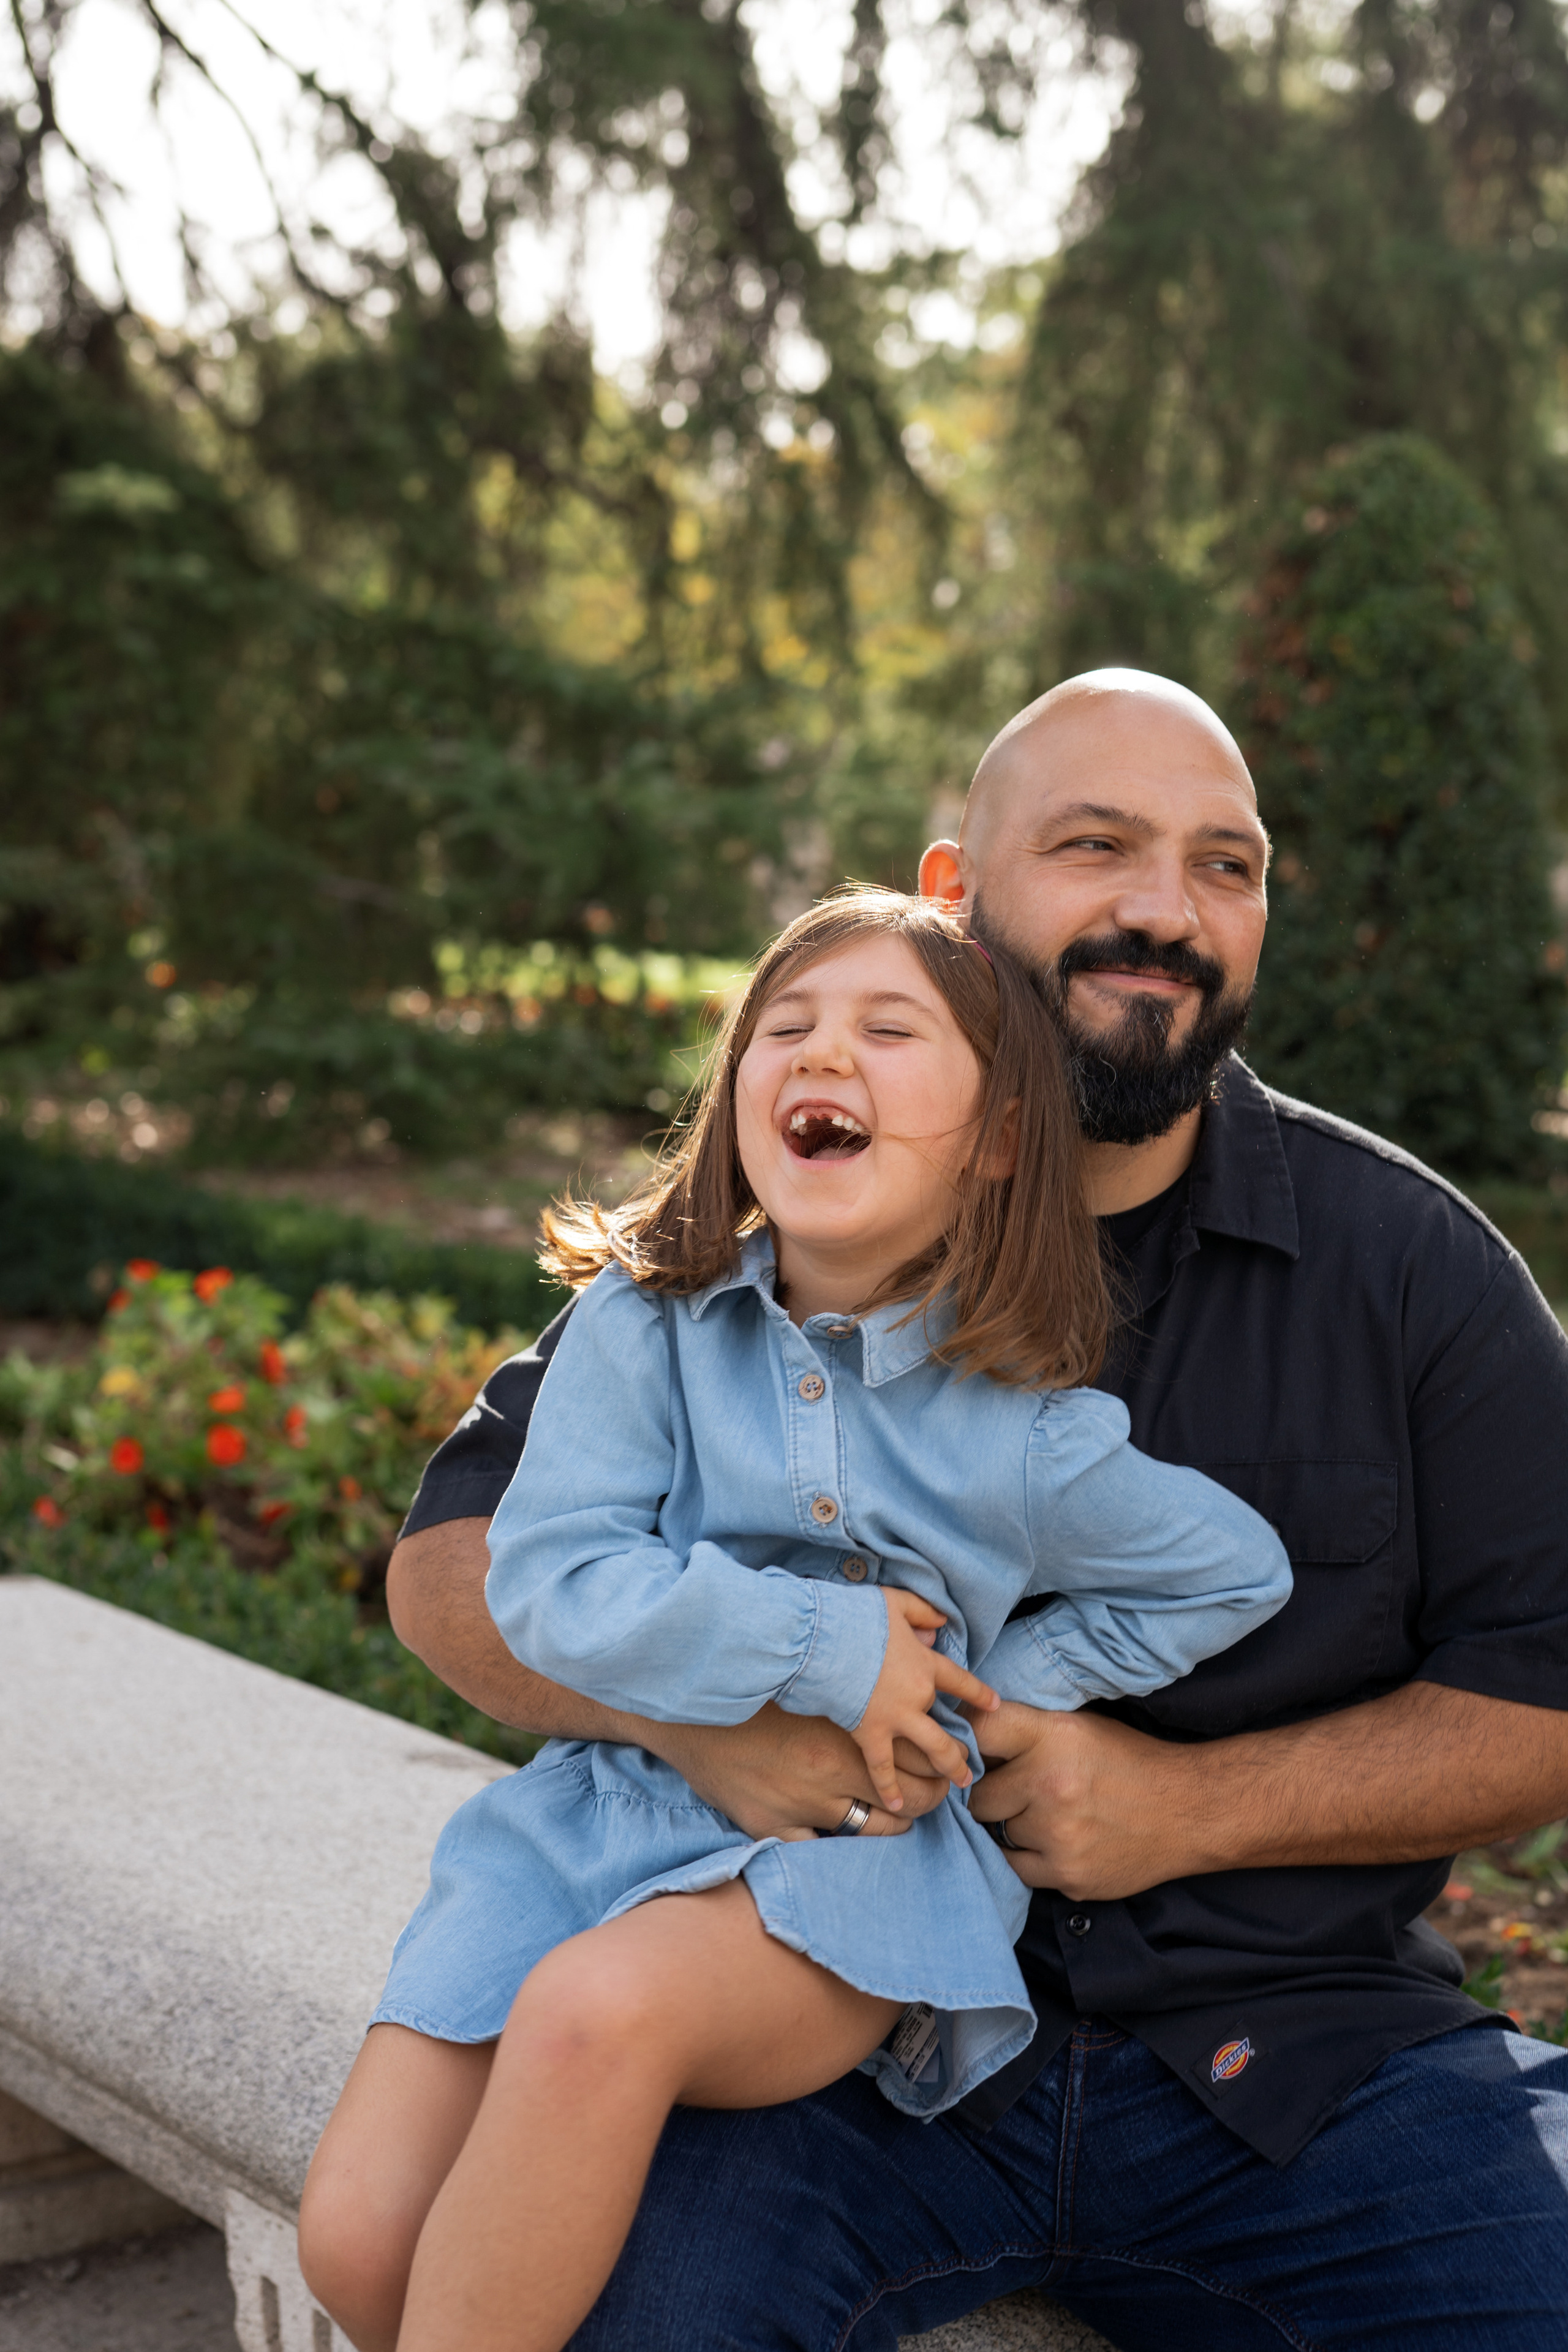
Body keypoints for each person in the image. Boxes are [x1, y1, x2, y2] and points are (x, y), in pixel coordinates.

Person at [368, 671, 1568, 2346]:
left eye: (1230, 867)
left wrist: (1185, 1807)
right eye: (1098, 847)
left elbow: (1543, 1701)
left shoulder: (1417, 1274)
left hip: (1303, 2059)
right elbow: (451, 1569)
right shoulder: (771, 1239)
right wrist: (709, 1727)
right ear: (953, 896)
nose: (1167, 909)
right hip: (829, 2018)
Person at [298, 890, 1292, 2352]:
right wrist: (829, 1649)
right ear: (738, 1094)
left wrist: (985, 1694)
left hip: (846, 1881)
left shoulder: (1030, 1433)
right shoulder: (644, 1324)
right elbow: (548, 1578)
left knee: (593, 2013)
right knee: (360, 2243)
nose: (825, 1052)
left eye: (890, 1031)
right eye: (786, 1028)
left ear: (1002, 1135)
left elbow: (1230, 1572)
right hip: (593, 1826)